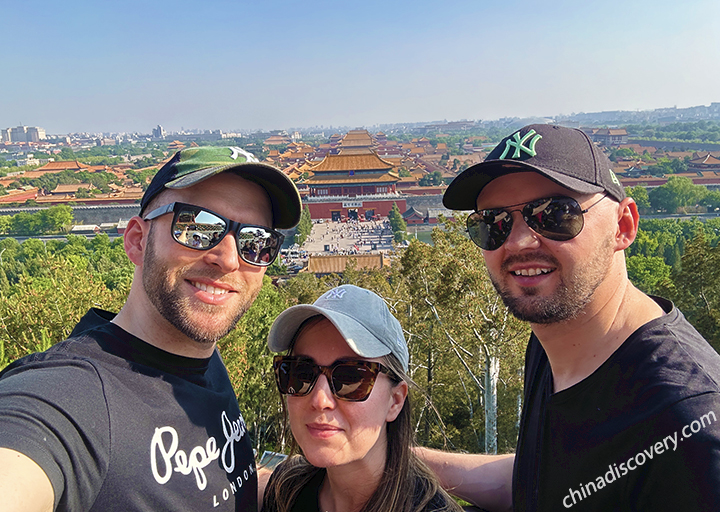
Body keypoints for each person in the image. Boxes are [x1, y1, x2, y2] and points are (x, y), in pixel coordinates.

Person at [0, 146, 302, 512]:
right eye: (197, 227)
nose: (229, 259)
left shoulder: (202, 356)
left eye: (255, 242)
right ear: (137, 240)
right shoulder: (70, 398)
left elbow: (225, 479)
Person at [418, 124, 720, 511]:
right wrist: (396, 458)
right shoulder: (553, 341)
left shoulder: (689, 424)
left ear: (623, 227)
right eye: (494, 222)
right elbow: (548, 480)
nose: (518, 241)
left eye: (555, 214)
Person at [262, 284, 464, 512]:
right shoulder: (286, 492)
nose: (320, 399)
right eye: (300, 373)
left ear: (395, 401)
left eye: (351, 378)